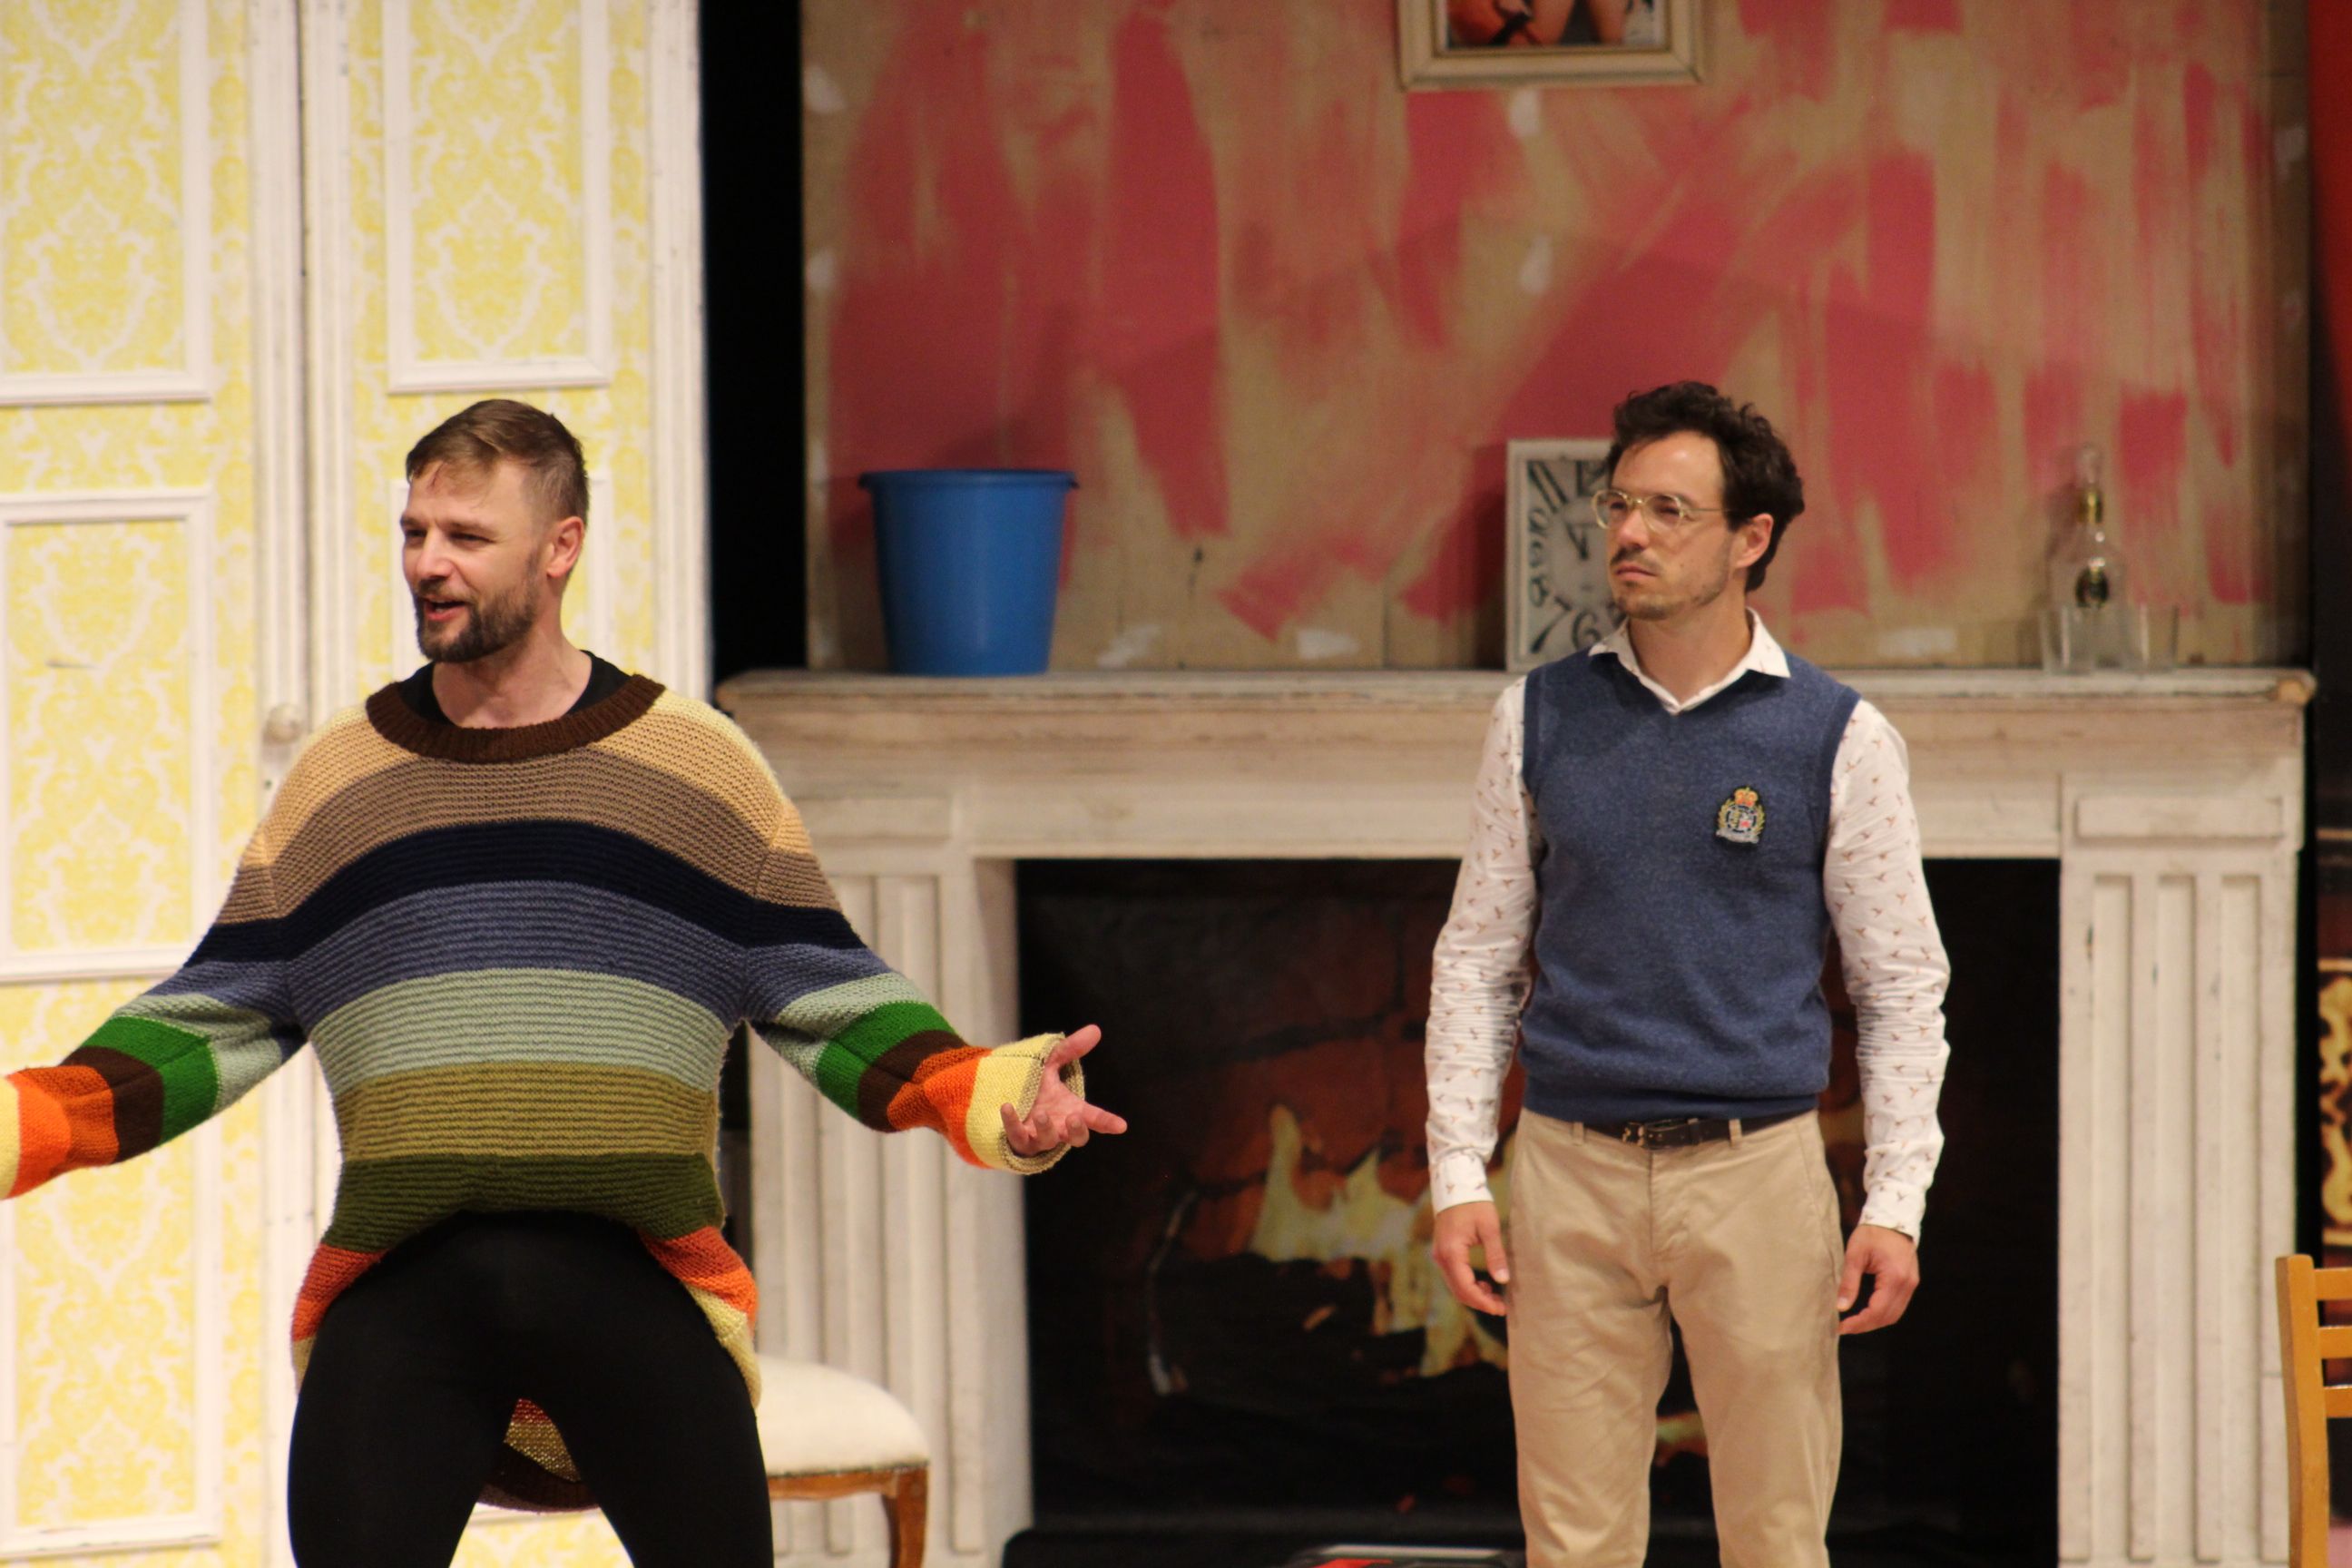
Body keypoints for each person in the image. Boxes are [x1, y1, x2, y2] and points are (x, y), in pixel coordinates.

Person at [0, 398, 1128, 1566]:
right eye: (414, 532)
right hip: (405, 1285)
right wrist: (27, 1121)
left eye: (466, 537)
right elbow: (211, 1019)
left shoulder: (692, 768)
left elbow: (831, 996)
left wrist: (988, 1092)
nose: (427, 563)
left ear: (560, 546)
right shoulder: (341, 781)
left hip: (636, 1282)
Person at [1424, 381, 1949, 1567]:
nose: (1631, 533)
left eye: (1670, 511)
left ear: (1750, 538)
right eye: (1620, 506)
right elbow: (1477, 959)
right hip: (1569, 1172)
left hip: (1759, 1175)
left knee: (1777, 1538)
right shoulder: (1536, 718)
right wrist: (1458, 1172)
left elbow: (1901, 989)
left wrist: (1895, 1203)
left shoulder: (1841, 739)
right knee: (1573, 1544)